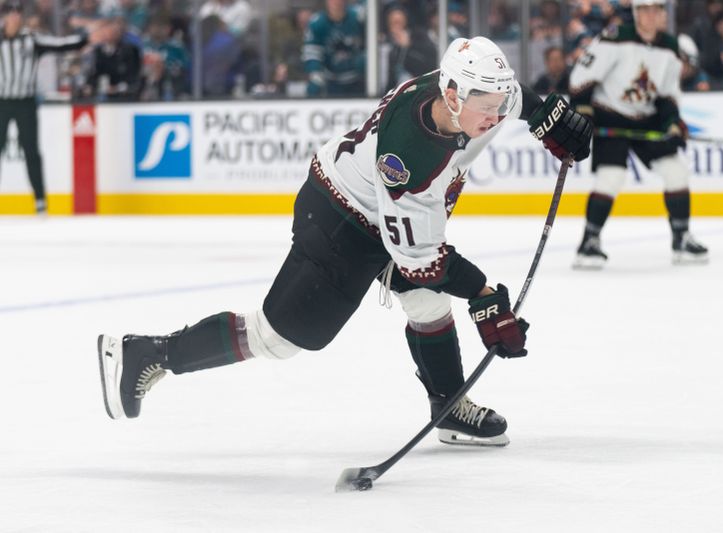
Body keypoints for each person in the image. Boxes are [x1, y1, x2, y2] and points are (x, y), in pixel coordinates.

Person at [97, 36, 592, 447]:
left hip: (382, 218)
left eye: (501, 103)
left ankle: (448, 405)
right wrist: (484, 295)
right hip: (340, 221)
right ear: (456, 96)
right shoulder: (410, 159)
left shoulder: (462, 96)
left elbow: (514, 97)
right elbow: (419, 259)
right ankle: (149, 353)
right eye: (489, 106)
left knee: (427, 303)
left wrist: (547, 113)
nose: (498, 114)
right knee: (278, 339)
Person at [569, 0, 709, 268]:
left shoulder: (669, 46)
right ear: (636, 13)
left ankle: (681, 238)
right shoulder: (616, 38)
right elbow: (580, 78)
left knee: (676, 170)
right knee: (611, 176)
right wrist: (584, 113)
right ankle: (589, 242)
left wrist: (672, 121)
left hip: (646, 119)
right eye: (644, 9)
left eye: (656, 9)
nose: (650, 14)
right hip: (610, 115)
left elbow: (667, 94)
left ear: (662, 14)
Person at [0, 0, 100, 214]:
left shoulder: (32, 40)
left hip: (25, 102)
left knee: (31, 151)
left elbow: (62, 44)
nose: (15, 17)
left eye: (19, 12)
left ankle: (40, 200)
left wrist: (86, 38)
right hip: (1, 102)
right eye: (11, 12)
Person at [302, 0, 365, 97]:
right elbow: (312, 52)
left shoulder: (358, 17)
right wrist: (315, 72)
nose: (336, 2)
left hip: (358, 81)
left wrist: (365, 61)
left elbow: (371, 41)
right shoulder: (317, 23)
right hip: (331, 83)